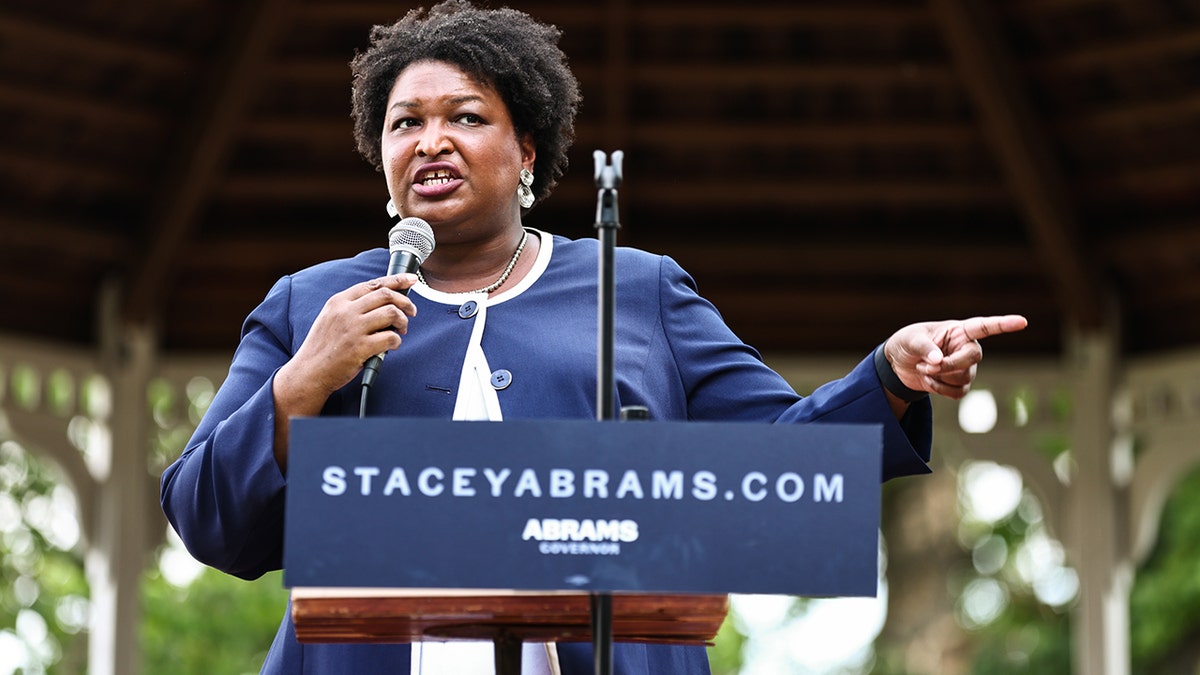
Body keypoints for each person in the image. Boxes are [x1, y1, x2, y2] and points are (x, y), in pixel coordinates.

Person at [159, 1, 1028, 673]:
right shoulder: (310, 304)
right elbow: (206, 516)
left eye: (466, 117)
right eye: (404, 122)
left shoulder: (637, 289)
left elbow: (777, 461)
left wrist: (891, 376)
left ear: (527, 150)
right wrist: (301, 381)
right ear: (380, 157)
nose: (432, 140)